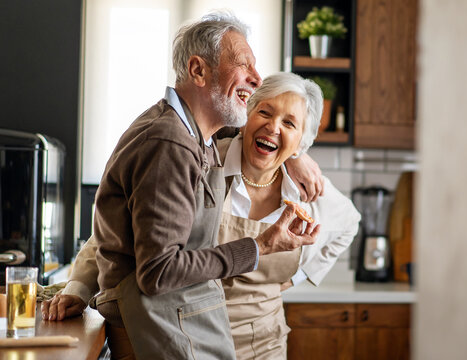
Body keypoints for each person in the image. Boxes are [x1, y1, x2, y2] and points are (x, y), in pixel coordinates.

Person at [45, 13, 322, 360]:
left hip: (230, 333)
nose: (256, 78)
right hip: (166, 326)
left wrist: (294, 155)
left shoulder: (198, 139)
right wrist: (261, 245)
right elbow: (150, 264)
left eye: (290, 124)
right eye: (244, 65)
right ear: (198, 71)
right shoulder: (173, 143)